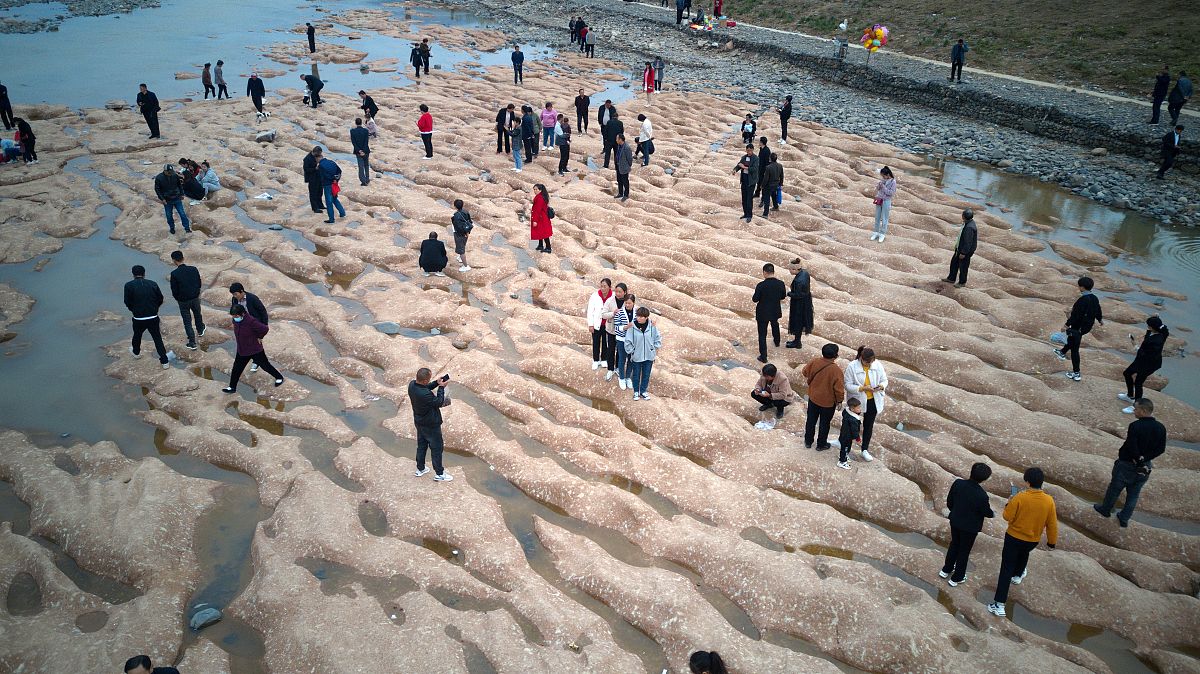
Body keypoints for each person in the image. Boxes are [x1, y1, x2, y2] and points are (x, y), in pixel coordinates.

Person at [987, 467, 1057, 617]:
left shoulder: (1019, 497)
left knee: (1006, 568)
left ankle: (999, 604)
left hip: (1013, 537)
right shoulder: (1049, 501)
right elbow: (1052, 524)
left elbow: (1007, 517)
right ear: (1042, 482)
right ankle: (1018, 575)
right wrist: (1052, 542)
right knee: (1024, 554)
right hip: (1032, 540)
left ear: (1027, 482)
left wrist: (1009, 503)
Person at [1093, 398, 1166, 527]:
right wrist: (1144, 458)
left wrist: (1138, 458)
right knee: (1133, 494)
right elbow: (1161, 449)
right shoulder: (1161, 428)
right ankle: (1124, 518)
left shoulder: (1135, 426)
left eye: (1136, 409)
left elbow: (1132, 445)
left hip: (1127, 464)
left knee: (1114, 489)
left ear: (1143, 410)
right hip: (1145, 466)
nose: (1134, 411)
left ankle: (1105, 510)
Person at [939, 462, 994, 585]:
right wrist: (993, 514)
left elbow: (950, 502)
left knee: (954, 544)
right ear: (984, 479)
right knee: (964, 551)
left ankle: (946, 569)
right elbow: (987, 512)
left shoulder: (958, 483)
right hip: (970, 528)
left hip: (955, 521)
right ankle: (957, 578)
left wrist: (955, 512)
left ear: (971, 472)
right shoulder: (982, 495)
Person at [223, 304, 285, 393]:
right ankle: (232, 387)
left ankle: (279, 377)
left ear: (242, 314)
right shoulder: (235, 320)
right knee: (236, 369)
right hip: (242, 350)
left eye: (236, 316)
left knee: (265, 366)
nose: (234, 318)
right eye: (233, 316)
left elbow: (264, 329)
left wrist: (260, 337)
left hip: (255, 349)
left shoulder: (251, 321)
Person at [1053, 276, 1103, 381]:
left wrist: (1066, 325)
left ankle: (1076, 373)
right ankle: (1062, 352)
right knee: (1072, 340)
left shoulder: (1082, 300)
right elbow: (1098, 309)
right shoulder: (1094, 298)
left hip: (1078, 327)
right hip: (1086, 327)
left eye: (1079, 286)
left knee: (1075, 350)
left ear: (1082, 287)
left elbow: (1076, 315)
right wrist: (1100, 319)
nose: (1079, 288)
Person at [408, 367, 453, 481]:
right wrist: (441, 387)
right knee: (437, 448)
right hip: (431, 425)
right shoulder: (425, 395)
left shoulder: (412, 385)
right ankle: (439, 474)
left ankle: (421, 468)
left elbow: (425, 388)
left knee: (422, 446)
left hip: (419, 422)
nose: (429, 381)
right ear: (424, 380)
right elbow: (439, 402)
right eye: (428, 379)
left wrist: (436, 383)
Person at [843, 346, 887, 462]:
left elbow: (884, 380)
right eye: (866, 362)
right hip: (857, 400)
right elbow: (847, 385)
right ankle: (845, 447)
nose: (868, 364)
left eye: (870, 362)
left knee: (868, 425)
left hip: (873, 400)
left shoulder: (877, 365)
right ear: (861, 358)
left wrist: (881, 386)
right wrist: (862, 388)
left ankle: (864, 450)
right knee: (851, 424)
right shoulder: (852, 366)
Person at [124, 265, 170, 368]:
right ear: (144, 273)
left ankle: (136, 353)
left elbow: (127, 301)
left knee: (137, 335)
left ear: (133, 274)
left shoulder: (128, 285)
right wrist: (155, 308)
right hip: (153, 316)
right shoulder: (152, 284)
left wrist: (133, 310)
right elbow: (160, 298)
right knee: (157, 338)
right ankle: (165, 361)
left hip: (138, 318)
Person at [1120, 316, 1169, 411]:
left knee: (1138, 383)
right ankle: (1130, 395)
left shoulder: (1157, 341)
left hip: (1149, 364)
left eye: (1149, 326)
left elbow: (1147, 355)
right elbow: (1164, 328)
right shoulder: (1163, 332)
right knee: (1127, 373)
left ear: (1153, 327)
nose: (1147, 327)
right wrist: (1156, 318)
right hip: (1141, 361)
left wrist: (1135, 346)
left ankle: (1136, 406)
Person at [803, 343, 844, 450]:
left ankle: (808, 441)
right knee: (824, 424)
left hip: (813, 398)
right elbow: (839, 389)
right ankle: (821, 445)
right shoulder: (836, 370)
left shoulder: (815, 361)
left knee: (811, 421)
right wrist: (839, 401)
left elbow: (804, 372)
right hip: (828, 403)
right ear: (835, 355)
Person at [229, 281, 269, 375]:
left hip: (254, 324)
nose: (234, 296)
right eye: (233, 294)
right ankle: (255, 359)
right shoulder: (234, 299)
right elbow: (234, 311)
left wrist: (264, 325)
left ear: (242, 291)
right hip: (243, 324)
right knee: (246, 343)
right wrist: (234, 322)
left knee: (257, 343)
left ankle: (256, 362)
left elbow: (263, 312)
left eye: (236, 294)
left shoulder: (252, 298)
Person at [169, 250, 205, 350]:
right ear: (183, 258)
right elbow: (199, 283)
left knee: (187, 321)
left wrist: (178, 298)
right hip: (195, 297)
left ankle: (192, 342)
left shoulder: (174, 274)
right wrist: (197, 292)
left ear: (174, 260)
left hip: (183, 301)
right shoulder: (193, 269)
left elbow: (174, 290)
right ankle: (200, 330)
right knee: (197, 314)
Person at [752, 263, 787, 364]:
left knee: (762, 334)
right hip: (775, 310)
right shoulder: (781, 283)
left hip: (762, 312)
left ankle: (763, 357)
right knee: (775, 324)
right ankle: (777, 342)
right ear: (773, 272)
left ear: (764, 272)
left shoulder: (761, 285)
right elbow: (783, 296)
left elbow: (755, 299)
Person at [625, 307, 661, 400]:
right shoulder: (632, 327)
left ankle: (643, 391)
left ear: (646, 317)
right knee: (636, 375)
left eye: (641, 317)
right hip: (637, 356)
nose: (639, 318)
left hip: (649, 356)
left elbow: (657, 338)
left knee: (646, 375)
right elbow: (627, 341)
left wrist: (653, 350)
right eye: (638, 316)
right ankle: (636, 392)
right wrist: (632, 351)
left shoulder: (652, 326)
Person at [751, 363, 794, 427]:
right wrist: (758, 389)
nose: (764, 377)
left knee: (777, 402)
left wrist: (769, 395)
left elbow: (783, 395)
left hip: (784, 398)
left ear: (773, 376)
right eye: (764, 375)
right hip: (769, 393)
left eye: (767, 377)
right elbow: (758, 384)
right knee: (753, 394)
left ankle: (780, 410)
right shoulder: (764, 374)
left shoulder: (782, 379)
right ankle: (768, 404)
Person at [600, 282, 628, 379]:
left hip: (623, 332)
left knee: (621, 351)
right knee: (611, 350)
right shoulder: (610, 300)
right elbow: (603, 314)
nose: (618, 294)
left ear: (625, 292)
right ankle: (610, 369)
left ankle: (618, 368)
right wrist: (613, 313)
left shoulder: (627, 301)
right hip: (611, 330)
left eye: (620, 292)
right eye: (616, 291)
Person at [153, 164, 191, 235]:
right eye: (169, 172)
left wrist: (182, 194)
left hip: (177, 198)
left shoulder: (174, 175)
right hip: (167, 200)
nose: (170, 173)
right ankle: (172, 228)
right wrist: (162, 199)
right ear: (165, 171)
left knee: (182, 213)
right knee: (169, 215)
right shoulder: (159, 178)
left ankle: (187, 228)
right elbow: (157, 189)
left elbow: (179, 185)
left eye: (171, 172)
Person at [944, 208, 978, 287]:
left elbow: (968, 242)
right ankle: (951, 278)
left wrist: (963, 253)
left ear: (964, 216)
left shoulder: (969, 227)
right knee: (954, 263)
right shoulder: (968, 223)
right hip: (960, 248)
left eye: (962, 215)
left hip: (965, 251)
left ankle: (962, 282)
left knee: (963, 267)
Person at [586, 278, 613, 370]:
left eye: (605, 286)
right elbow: (590, 310)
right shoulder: (595, 296)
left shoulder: (613, 296)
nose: (603, 288)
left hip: (608, 324)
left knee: (606, 342)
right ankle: (596, 360)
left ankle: (604, 359)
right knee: (596, 342)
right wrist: (590, 324)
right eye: (601, 286)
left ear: (609, 287)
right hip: (597, 323)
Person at [785, 259, 812, 348]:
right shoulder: (805, 273)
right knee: (800, 321)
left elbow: (798, 295)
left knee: (798, 321)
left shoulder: (798, 281)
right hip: (806, 301)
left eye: (790, 269)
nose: (789, 270)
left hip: (799, 304)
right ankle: (797, 341)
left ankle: (797, 342)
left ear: (795, 269)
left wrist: (789, 293)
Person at [613, 292, 637, 390]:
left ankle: (627, 378)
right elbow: (616, 328)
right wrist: (626, 327)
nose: (627, 305)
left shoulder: (637, 312)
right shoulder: (619, 313)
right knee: (622, 359)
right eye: (626, 303)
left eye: (629, 303)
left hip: (633, 340)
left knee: (631, 359)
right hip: (622, 340)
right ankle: (622, 378)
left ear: (633, 303)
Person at [316, 149, 346, 223]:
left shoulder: (321, 166)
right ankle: (342, 213)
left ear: (318, 158)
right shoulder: (331, 162)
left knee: (329, 202)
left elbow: (325, 176)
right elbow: (339, 171)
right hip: (334, 184)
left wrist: (332, 179)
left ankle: (331, 219)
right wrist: (336, 180)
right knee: (334, 199)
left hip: (327, 185)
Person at [733, 144, 759, 222]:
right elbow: (739, 165)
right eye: (747, 151)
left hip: (751, 181)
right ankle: (745, 213)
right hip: (744, 180)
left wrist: (744, 167)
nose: (749, 152)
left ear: (753, 150)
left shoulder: (756, 158)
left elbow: (754, 169)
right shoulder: (744, 157)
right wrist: (735, 170)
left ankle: (749, 215)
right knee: (744, 198)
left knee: (749, 199)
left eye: (750, 150)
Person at [869, 166, 897, 242]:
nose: (883, 177)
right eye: (882, 176)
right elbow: (878, 189)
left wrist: (883, 187)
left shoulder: (893, 182)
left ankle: (882, 234)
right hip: (879, 199)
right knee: (877, 217)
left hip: (886, 201)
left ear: (888, 174)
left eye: (883, 176)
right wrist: (878, 185)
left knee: (884, 218)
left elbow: (891, 193)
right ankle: (875, 232)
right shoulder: (883, 180)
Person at [835, 397, 862, 469]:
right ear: (852, 409)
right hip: (848, 436)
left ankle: (844, 456)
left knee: (845, 447)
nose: (860, 409)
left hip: (843, 433)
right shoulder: (853, 420)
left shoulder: (846, 412)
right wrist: (857, 438)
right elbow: (855, 430)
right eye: (858, 408)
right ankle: (842, 461)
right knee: (845, 448)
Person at [451, 198, 473, 272]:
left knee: (461, 250)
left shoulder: (456, 215)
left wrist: (463, 234)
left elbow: (458, 227)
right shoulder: (465, 211)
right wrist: (467, 233)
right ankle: (460, 257)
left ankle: (466, 266)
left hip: (460, 234)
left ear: (455, 206)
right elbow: (470, 221)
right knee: (463, 245)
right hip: (466, 232)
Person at [531, 183, 553, 253]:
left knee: (544, 233)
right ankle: (540, 245)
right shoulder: (541, 196)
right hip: (542, 217)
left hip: (541, 218)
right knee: (540, 231)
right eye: (534, 189)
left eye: (536, 189)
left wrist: (535, 220)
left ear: (540, 190)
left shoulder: (540, 198)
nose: (534, 191)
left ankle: (548, 248)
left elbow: (537, 210)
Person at [302, 146, 325, 213]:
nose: (320, 155)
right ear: (315, 152)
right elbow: (306, 169)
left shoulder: (317, 156)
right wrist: (315, 169)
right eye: (319, 153)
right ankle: (315, 208)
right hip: (312, 178)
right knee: (313, 193)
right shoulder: (307, 159)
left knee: (320, 191)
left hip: (318, 177)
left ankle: (320, 205)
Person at [760, 152, 783, 217]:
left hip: (769, 186)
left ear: (770, 159)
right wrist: (780, 184)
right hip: (776, 185)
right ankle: (776, 207)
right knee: (773, 195)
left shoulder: (768, 167)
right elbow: (781, 176)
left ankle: (765, 214)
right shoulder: (780, 166)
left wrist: (762, 185)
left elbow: (766, 178)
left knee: (767, 199)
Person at [351, 117, 371, 186]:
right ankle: (367, 179)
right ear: (361, 123)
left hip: (358, 152)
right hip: (366, 151)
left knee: (361, 166)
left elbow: (354, 142)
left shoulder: (352, 131)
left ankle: (363, 181)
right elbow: (366, 142)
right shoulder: (366, 131)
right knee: (366, 165)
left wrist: (359, 151)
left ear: (355, 123)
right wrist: (364, 151)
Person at [614, 134, 632, 201]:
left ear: (620, 139)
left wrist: (628, 166)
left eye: (617, 139)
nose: (616, 140)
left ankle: (626, 195)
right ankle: (620, 193)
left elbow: (630, 159)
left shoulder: (627, 147)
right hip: (618, 166)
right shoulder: (619, 146)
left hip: (624, 167)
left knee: (625, 181)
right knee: (619, 180)